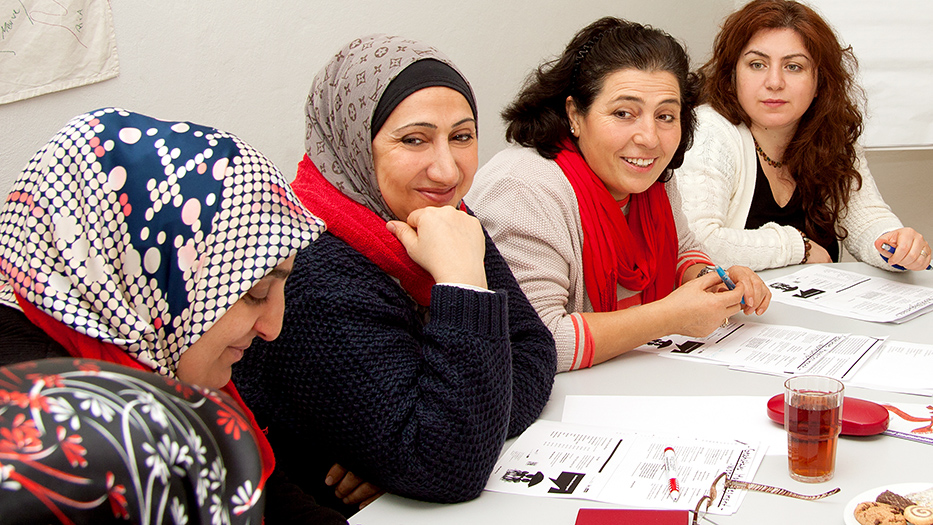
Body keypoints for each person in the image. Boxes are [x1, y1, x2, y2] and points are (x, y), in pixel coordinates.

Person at [231, 34, 557, 516]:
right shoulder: (312, 270)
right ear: (353, 144)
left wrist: (426, 438)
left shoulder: (442, 219)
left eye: (462, 136)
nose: (447, 170)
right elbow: (449, 465)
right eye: (413, 139)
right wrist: (463, 284)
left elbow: (534, 348)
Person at [0, 108, 345, 524]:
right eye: (255, 292)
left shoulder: (149, 347)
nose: (273, 327)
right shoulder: (49, 432)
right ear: (150, 272)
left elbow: (274, 499)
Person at [466, 17, 772, 374]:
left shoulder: (653, 176)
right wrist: (671, 316)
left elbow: (681, 249)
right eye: (624, 113)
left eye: (665, 116)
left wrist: (710, 279)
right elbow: (537, 343)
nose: (650, 138)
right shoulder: (522, 189)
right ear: (574, 115)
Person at [670, 0, 931, 272]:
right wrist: (799, 247)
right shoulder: (709, 130)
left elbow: (866, 220)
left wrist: (897, 244)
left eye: (793, 67)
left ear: (820, 81)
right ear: (732, 74)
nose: (774, 82)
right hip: (737, 312)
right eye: (757, 64)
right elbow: (698, 242)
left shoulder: (831, 133)